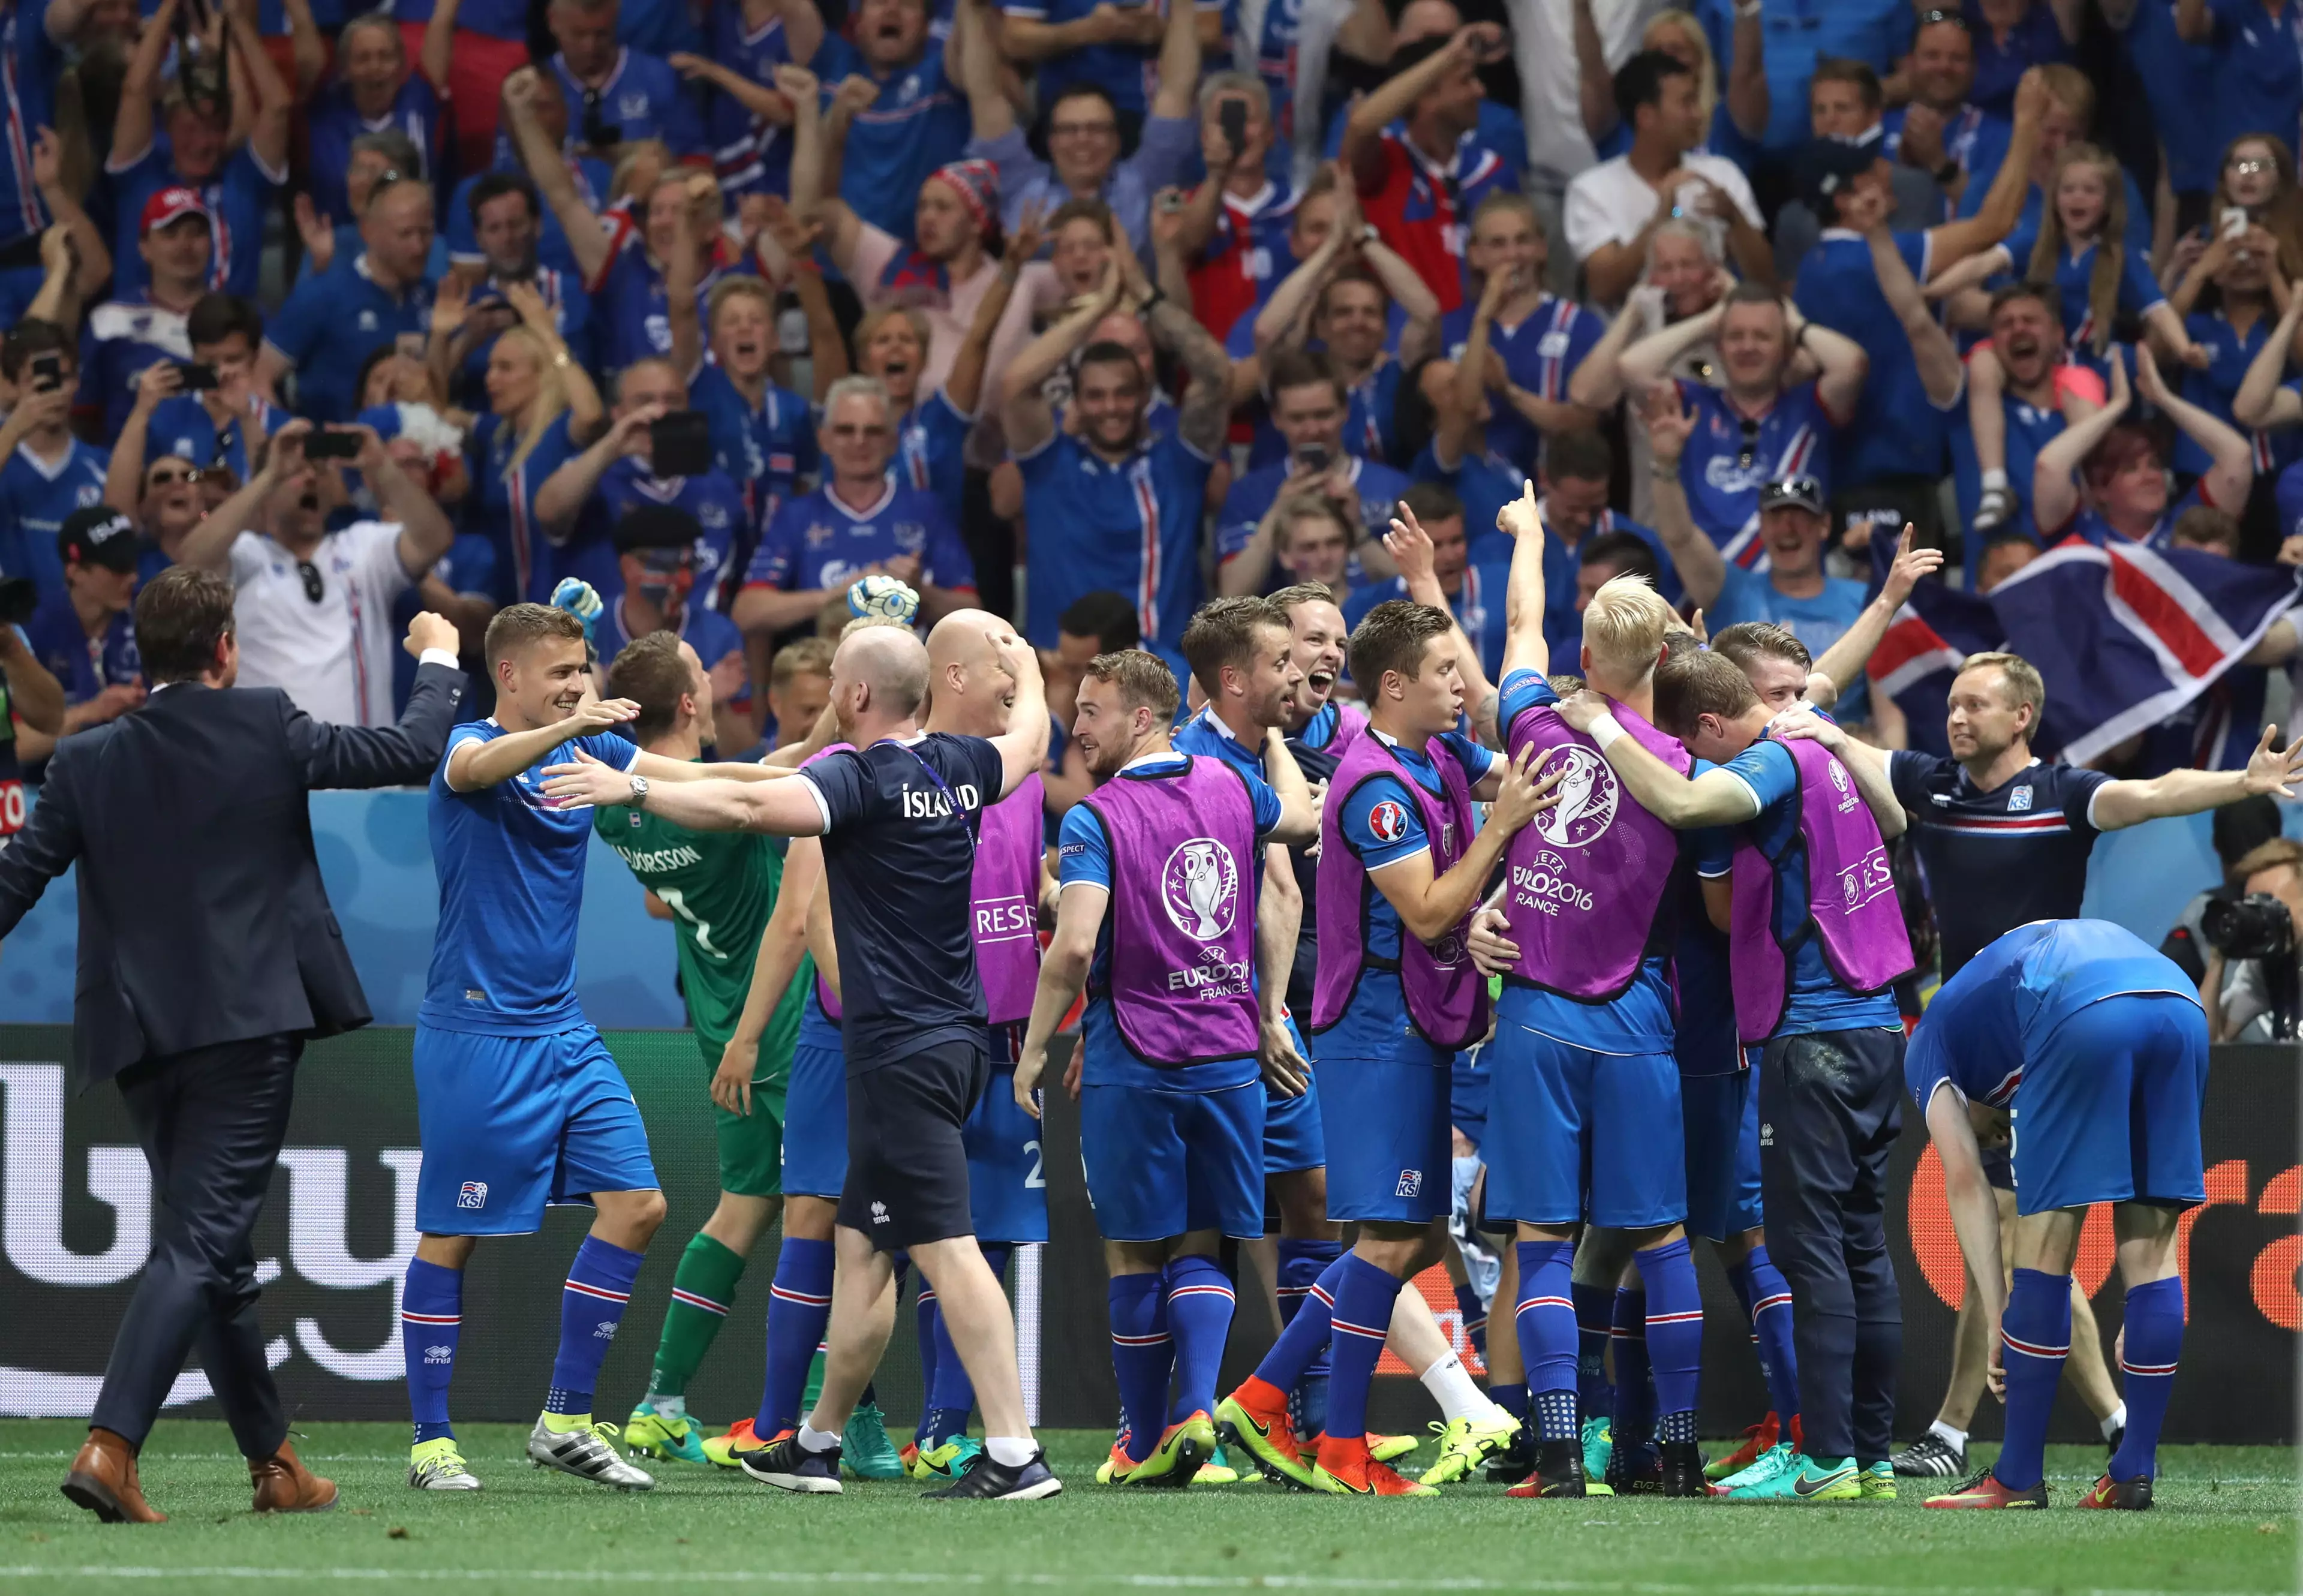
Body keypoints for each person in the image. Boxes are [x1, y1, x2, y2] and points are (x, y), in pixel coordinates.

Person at [540, 621, 1062, 1500]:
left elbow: (747, 805)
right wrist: (1032, 664)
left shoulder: (857, 780)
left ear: (855, 697)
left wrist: (628, 783)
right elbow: (1032, 736)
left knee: (947, 1248)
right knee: (861, 1250)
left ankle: (1015, 1453)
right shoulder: (962, 767)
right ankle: (815, 1442)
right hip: (953, 1042)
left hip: (898, 1051)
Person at [0, 569, 465, 1522]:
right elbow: (416, 748)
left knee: (212, 1252)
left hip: (138, 1039)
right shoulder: (264, 722)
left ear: (147, 653)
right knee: (204, 1240)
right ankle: (111, 1442)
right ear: (225, 650)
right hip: (246, 1028)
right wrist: (442, 659)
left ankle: (276, 1465)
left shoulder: (85, 760)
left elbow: (15, 881)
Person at [1815, 649, 2303, 1477]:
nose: (1958, 716)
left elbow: (2152, 794)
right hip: (2053, 1026)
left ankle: (1967, 1435)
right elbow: (1829, 739)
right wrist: (1797, 693)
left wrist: (2243, 784)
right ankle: (2111, 1427)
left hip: (2047, 1036)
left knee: (2024, 1242)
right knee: (2070, 1243)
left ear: (2022, 719)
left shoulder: (2061, 794)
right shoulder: (1930, 785)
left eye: (1977, 704)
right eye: (1953, 704)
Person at [1217, 600, 1559, 1498]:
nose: (1464, 687)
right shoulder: (1374, 788)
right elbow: (1429, 910)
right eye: (1448, 672)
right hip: (1376, 1036)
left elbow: (1527, 765)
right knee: (1386, 1239)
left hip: (1423, 1026)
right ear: (1397, 685)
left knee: (1400, 1239)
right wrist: (1498, 832)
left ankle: (1269, 1402)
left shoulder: (1438, 750)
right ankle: (1328, 1437)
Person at [1556, 648, 1914, 1503]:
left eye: (1691, 741)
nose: (1692, 756)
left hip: (1813, 1033)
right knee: (1864, 1248)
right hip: (1877, 1026)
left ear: (1711, 726)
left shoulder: (1768, 762)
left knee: (1810, 1251)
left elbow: (1682, 800)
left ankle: (1822, 1459)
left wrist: (1600, 725)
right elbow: (1897, 819)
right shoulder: (1826, 752)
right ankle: (1868, 1458)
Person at [1016, 642, 1312, 1485]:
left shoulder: (1093, 817)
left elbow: (1073, 947)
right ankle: (1195, 1413)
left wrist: (1036, 1052)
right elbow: (1300, 819)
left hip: (1133, 1059)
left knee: (1133, 1252)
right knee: (1205, 1243)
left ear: (1142, 717)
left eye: (1091, 712)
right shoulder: (1230, 786)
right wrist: (1281, 748)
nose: (1077, 730)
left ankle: (1144, 1439)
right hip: (1228, 1058)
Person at [1469, 484, 1709, 1499]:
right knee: (1660, 1238)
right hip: (1637, 1022)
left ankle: (1561, 1451)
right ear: (1663, 655)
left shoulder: (1534, 720)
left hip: (1534, 1018)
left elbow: (1518, 623)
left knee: (1541, 1242)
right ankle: (1680, 1448)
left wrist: (1526, 535)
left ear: (1587, 652)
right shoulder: (1685, 770)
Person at [397, 603, 669, 1495]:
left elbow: (699, 779)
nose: (578, 685)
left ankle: (564, 1419)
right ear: (506, 673)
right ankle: (431, 1441)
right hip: (476, 1035)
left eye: (582, 669)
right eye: (559, 672)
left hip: (563, 1029)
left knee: (638, 1204)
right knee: (453, 1234)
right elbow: (471, 769)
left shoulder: (585, 743)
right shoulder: (469, 743)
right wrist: (575, 726)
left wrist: (827, 758)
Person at [591, 630, 806, 1466]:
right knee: (835, 1218)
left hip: (720, 1029)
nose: (718, 685)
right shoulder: (712, 797)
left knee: (745, 1206)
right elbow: (778, 786)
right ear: (687, 703)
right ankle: (826, 1422)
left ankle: (659, 1401)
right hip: (779, 1020)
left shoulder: (618, 807)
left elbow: (657, 903)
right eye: (704, 676)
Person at [1908, 919, 2209, 1512]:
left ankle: (2018, 1478)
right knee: (2153, 1252)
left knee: (2044, 1243)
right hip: (2180, 1002)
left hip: (2080, 1007)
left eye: (1997, 1136)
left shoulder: (1928, 1043)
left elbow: (1966, 1181)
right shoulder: (1995, 1008)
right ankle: (2132, 1471)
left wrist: (1998, 1315)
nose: (1999, 1140)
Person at [1003, 257, 1234, 666]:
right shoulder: (1049, 465)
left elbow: (1216, 373)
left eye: (1124, 393)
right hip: (1060, 676)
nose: (1110, 407)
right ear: (1076, 400)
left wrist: (1146, 296)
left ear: (1145, 396)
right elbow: (1015, 384)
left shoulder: (1176, 465)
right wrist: (1097, 308)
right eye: (1095, 395)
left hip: (1159, 676)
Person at [173, 420, 455, 727]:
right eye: (296, 472)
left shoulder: (364, 547)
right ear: (265, 490)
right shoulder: (244, 555)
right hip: (272, 766)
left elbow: (435, 540)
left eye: (319, 471)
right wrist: (270, 474)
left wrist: (381, 466)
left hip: (364, 765)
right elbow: (190, 562)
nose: (310, 478)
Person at [1616, 285, 1868, 567]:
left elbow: (1851, 364)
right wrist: (1710, 322)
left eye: (1762, 336)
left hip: (1788, 596)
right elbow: (1631, 367)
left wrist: (1796, 325)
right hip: (1701, 593)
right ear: (1718, 348)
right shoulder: (1693, 406)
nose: (1748, 347)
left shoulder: (1810, 407)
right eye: (1735, 336)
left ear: (1785, 349)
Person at [735, 375, 978, 638]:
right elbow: (747, 612)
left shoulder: (926, 510)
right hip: (824, 671)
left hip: (908, 671)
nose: (859, 441)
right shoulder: (797, 516)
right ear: (824, 440)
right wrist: (837, 596)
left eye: (873, 431)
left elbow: (972, 611)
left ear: (892, 442)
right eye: (845, 431)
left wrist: (920, 593)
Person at [1644, 466, 1876, 719]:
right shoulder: (1732, 591)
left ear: (1824, 525)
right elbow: (1680, 537)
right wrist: (1664, 464)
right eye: (1776, 516)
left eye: (1800, 515)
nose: (1788, 528)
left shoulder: (1867, 601)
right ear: (1762, 526)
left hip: (1843, 747)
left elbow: (1890, 697)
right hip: (1751, 751)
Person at [107, 0, 291, 301]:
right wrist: (169, 7)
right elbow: (135, 91)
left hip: (230, 335)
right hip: (144, 336)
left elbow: (278, 105)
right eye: (190, 129)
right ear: (168, 127)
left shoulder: (245, 182)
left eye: (214, 129)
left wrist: (236, 25)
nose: (203, 142)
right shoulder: (140, 178)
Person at [1566, 50, 1769, 310]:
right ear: (1647, 117)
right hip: (1634, 342)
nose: (1698, 114)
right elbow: (1604, 288)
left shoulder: (1721, 175)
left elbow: (1765, 281)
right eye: (1687, 103)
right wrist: (1661, 217)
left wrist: (1735, 218)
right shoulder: (1592, 190)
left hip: (1715, 337)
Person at [1339, 28, 1516, 315]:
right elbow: (1361, 124)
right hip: (1406, 341)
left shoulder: (1495, 170)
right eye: (1465, 81)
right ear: (1426, 97)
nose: (1480, 91)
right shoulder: (1385, 165)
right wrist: (1450, 55)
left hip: (1481, 336)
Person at [257, 178, 439, 426]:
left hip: (414, 450)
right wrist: (295, 441)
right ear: (368, 232)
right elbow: (259, 380)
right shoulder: (322, 295)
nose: (418, 247)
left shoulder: (434, 296)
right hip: (337, 451)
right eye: (405, 234)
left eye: (426, 232)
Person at [17, 509, 145, 770]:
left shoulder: (149, 613)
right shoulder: (33, 630)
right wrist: (90, 712)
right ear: (74, 570)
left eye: (133, 563)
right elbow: (15, 746)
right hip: (49, 786)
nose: (133, 576)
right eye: (119, 567)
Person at [0, 321, 111, 603]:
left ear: (77, 382)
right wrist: (13, 430)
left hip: (75, 634)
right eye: (38, 380)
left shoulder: (102, 467)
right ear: (12, 386)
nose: (54, 391)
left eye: (64, 377)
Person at [543, 0, 706, 156]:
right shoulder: (538, 87)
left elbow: (695, 159)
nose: (590, 46)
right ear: (553, 20)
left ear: (615, 18)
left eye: (601, 34)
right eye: (578, 34)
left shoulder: (657, 78)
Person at [2202, 837, 2303, 1042]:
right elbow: (2208, 1042)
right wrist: (2219, 955)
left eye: (2270, 902)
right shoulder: (2266, 969)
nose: (2263, 917)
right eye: (2254, 906)